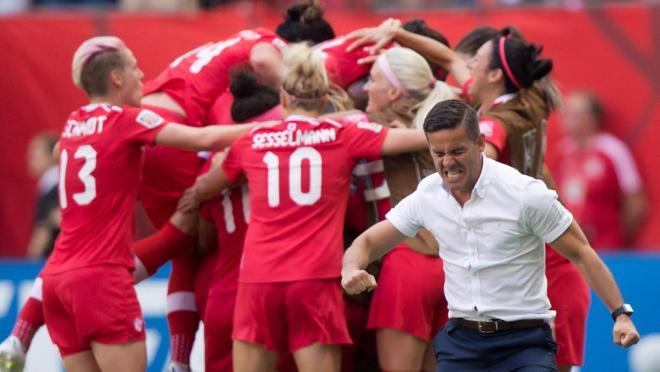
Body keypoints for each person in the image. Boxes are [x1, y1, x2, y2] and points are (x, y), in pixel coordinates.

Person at [177, 43, 428, 372]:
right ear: (324, 100)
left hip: (258, 282)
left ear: (283, 99)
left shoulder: (251, 140)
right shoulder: (344, 133)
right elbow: (415, 140)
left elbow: (212, 182)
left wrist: (193, 197)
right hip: (314, 281)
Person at [342, 99, 640, 371]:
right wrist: (351, 268)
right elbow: (368, 241)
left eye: (457, 151)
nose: (447, 163)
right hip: (461, 343)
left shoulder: (525, 194)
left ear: (480, 143)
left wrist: (620, 315)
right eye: (439, 153)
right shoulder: (428, 195)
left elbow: (581, 253)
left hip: (524, 343)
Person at [39, 35, 259, 372]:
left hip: (56, 281)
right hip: (101, 278)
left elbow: (59, 155)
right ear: (116, 78)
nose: (142, 75)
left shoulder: (71, 125)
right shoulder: (125, 120)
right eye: (133, 68)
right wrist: (280, 126)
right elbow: (203, 139)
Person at [359, 46, 454, 372]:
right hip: (449, 266)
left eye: (372, 80)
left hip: (407, 262)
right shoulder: (449, 121)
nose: (365, 88)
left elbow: (327, 123)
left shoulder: (375, 124)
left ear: (394, 91)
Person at [553, 91, 646, 249]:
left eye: (574, 114)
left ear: (592, 119)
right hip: (572, 245)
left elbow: (635, 202)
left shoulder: (613, 150)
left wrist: (618, 241)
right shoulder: (562, 151)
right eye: (565, 113)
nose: (566, 119)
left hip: (607, 245)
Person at [25, 132, 60, 258]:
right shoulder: (47, 186)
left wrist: (30, 262)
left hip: (50, 261)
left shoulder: (55, 188)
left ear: (53, 155)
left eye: (35, 154)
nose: (30, 158)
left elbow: (43, 233)